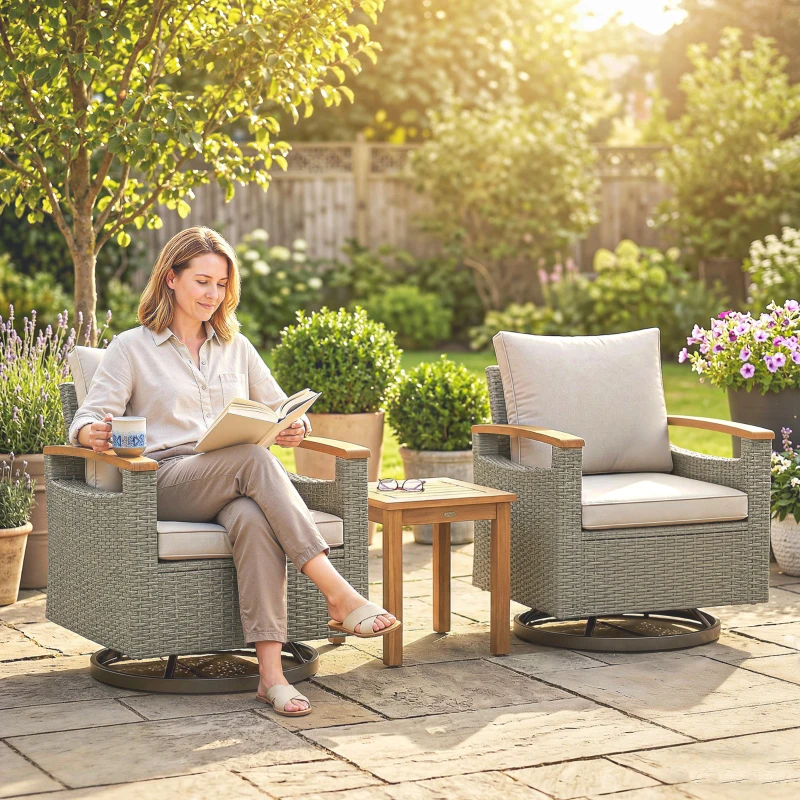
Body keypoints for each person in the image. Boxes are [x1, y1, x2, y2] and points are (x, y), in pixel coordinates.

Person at [69, 226, 399, 717]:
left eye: (221, 285)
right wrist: (90, 434)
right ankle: (337, 594)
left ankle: (270, 676)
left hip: (233, 480)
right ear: (171, 278)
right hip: (163, 480)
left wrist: (295, 425)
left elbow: (279, 405)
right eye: (202, 281)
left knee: (252, 516)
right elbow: (85, 418)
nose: (213, 294)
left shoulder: (235, 345)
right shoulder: (130, 347)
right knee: (253, 459)